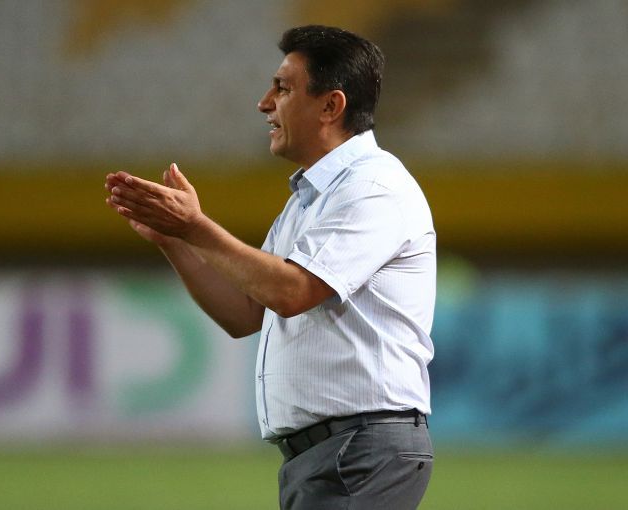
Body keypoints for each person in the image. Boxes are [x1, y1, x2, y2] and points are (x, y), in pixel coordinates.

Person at [105, 25, 436, 510]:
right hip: (332, 454)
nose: (264, 103)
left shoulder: (373, 188)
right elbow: (246, 313)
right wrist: (177, 240)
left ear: (331, 106)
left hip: (360, 450)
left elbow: (293, 291)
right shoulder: (310, 197)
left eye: (282, 88)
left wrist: (196, 226)